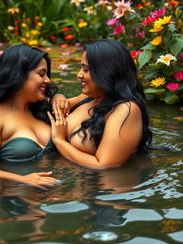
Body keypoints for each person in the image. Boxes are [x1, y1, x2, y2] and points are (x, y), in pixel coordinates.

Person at [0, 44, 60, 189]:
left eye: (47, 74)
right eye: (41, 74)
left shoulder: (43, 109)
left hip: (51, 195)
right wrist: (21, 179)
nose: (47, 80)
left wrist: (59, 96)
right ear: (19, 75)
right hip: (15, 197)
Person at [48, 39, 152, 168]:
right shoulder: (88, 98)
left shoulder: (126, 109)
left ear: (107, 72)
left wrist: (59, 141)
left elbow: (105, 165)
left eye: (86, 70)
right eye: (81, 68)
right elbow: (58, 105)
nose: (78, 75)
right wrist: (58, 96)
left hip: (103, 185)